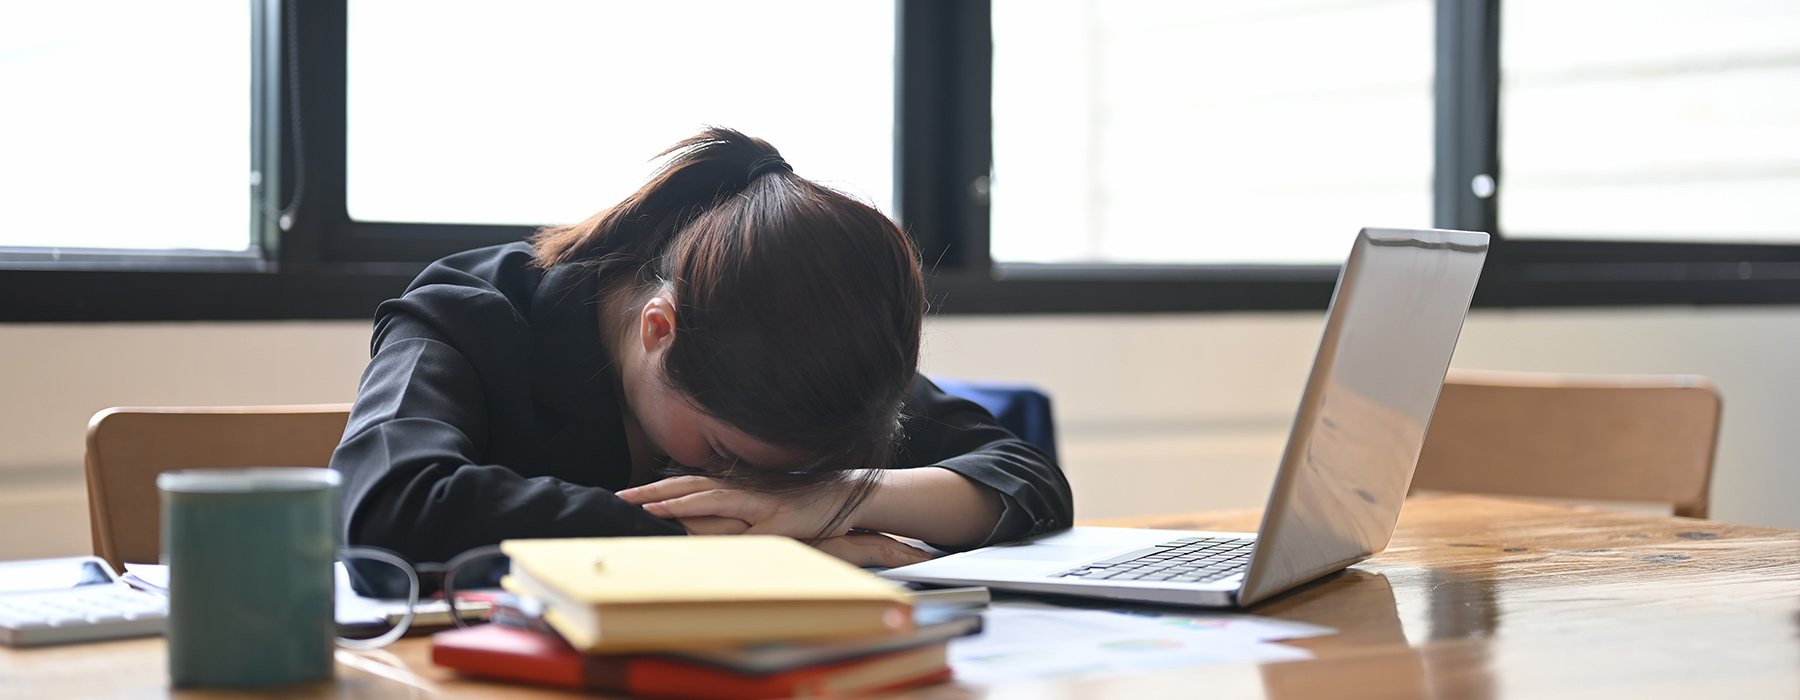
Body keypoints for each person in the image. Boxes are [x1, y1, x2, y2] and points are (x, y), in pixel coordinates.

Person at [329, 127, 1073, 572]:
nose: (748, 482)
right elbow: (386, 505)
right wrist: (718, 541)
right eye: (724, 451)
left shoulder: (803, 343)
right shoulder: (474, 311)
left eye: (772, 474)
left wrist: (829, 500)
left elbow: (1027, 476)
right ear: (661, 329)